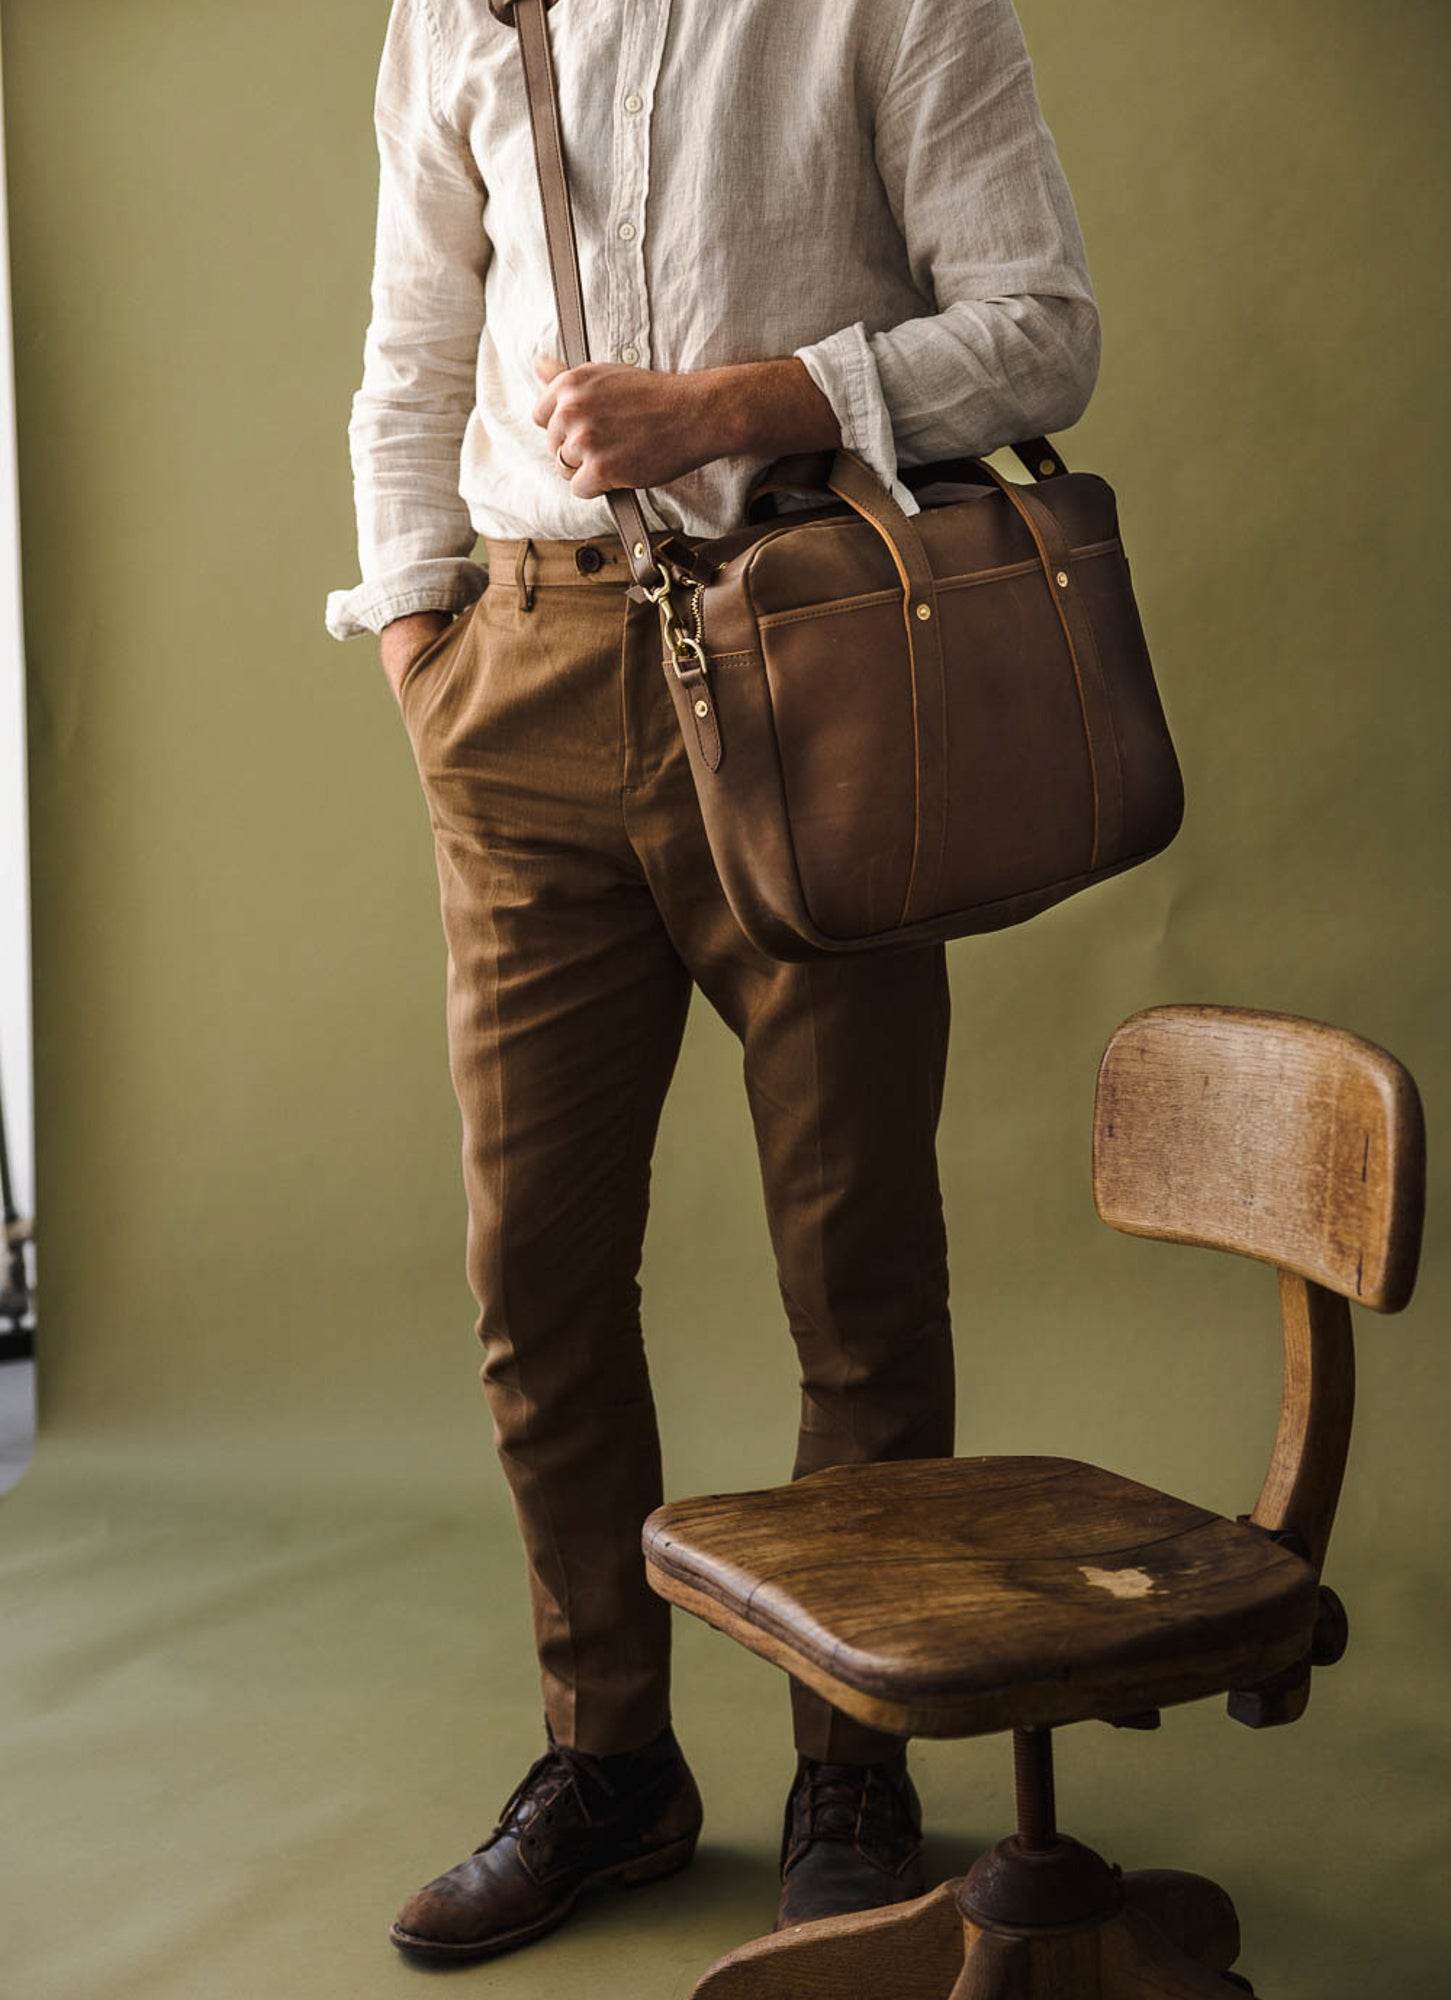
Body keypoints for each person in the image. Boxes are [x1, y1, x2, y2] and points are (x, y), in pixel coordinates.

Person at [325, 0, 1099, 1966]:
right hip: (526, 679)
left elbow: (1042, 330)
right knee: (538, 1274)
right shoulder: (458, 12)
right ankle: (610, 1759)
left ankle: (854, 1749)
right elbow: (415, 335)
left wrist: (743, 403)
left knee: (856, 1269)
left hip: (816, 669)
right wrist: (421, 638)